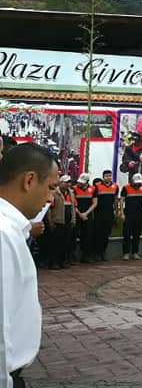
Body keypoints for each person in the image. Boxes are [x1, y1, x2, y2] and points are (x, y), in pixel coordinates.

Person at [1, 143, 59, 388]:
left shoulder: (11, 231)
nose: (50, 198)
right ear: (29, 180)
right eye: (50, 187)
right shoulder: (3, 235)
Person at [46, 175, 75, 269]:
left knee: (65, 243)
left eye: (69, 182)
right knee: (56, 243)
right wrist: (50, 221)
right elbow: (49, 208)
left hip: (67, 221)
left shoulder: (71, 193)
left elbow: (73, 207)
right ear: (60, 182)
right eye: (65, 182)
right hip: (58, 221)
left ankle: (63, 261)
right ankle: (54, 262)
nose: (67, 184)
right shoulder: (55, 193)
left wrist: (73, 219)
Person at [91, 169, 119, 261]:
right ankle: (96, 253)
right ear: (103, 177)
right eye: (106, 176)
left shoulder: (115, 186)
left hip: (109, 213)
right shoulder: (97, 186)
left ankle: (103, 252)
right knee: (98, 233)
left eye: (110, 176)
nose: (108, 177)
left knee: (106, 234)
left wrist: (116, 211)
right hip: (99, 213)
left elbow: (115, 200)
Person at [119, 173, 142, 260]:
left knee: (137, 234)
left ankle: (135, 252)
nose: (137, 184)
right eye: (136, 182)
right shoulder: (126, 188)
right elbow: (121, 201)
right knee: (127, 234)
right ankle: (126, 253)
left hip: (139, 213)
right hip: (128, 213)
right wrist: (122, 213)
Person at [72, 173, 97, 263]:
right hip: (77, 213)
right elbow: (73, 202)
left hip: (88, 215)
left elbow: (94, 203)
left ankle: (86, 255)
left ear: (87, 182)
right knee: (73, 234)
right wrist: (80, 214)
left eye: (82, 182)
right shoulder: (74, 188)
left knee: (87, 235)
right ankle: (72, 255)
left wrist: (86, 213)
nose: (80, 184)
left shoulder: (93, 189)